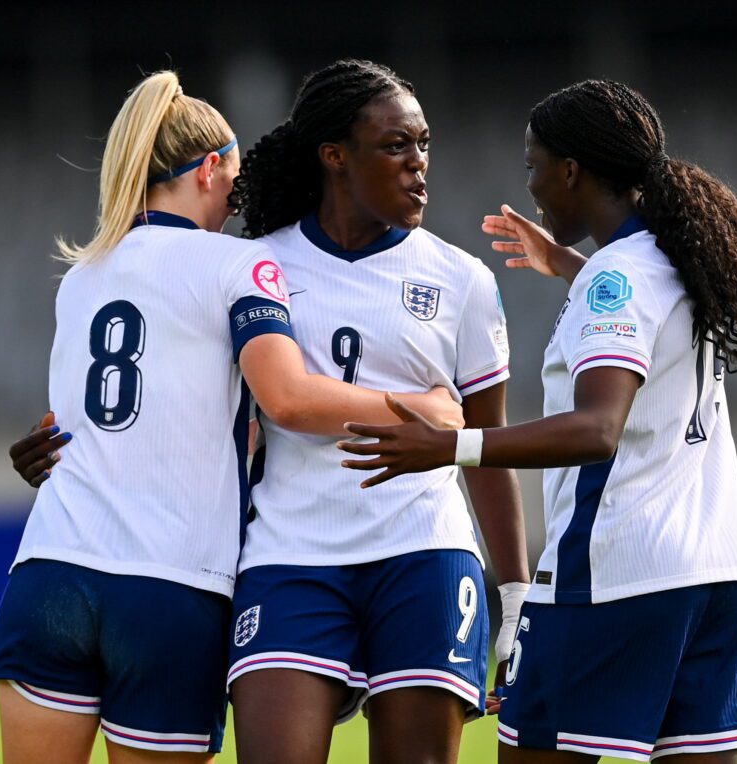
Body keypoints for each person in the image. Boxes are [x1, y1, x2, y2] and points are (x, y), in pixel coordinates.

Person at [340, 79, 737, 762]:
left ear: (572, 171)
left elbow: (598, 429)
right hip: (720, 576)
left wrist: (448, 445)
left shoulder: (612, 282)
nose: (531, 184)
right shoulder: (673, 260)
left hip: (615, 575)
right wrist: (567, 263)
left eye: (535, 166)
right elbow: (637, 315)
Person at [0, 70, 461, 764]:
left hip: (50, 570)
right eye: (234, 184)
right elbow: (290, 398)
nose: (237, 206)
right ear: (209, 169)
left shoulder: (86, 272)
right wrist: (419, 406)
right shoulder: (244, 264)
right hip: (170, 583)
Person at [221, 59, 530, 764]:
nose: (419, 165)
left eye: (424, 144)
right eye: (396, 146)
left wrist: (515, 595)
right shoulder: (259, 266)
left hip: (423, 553)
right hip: (290, 555)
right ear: (334, 155)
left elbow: (488, 447)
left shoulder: (462, 280)